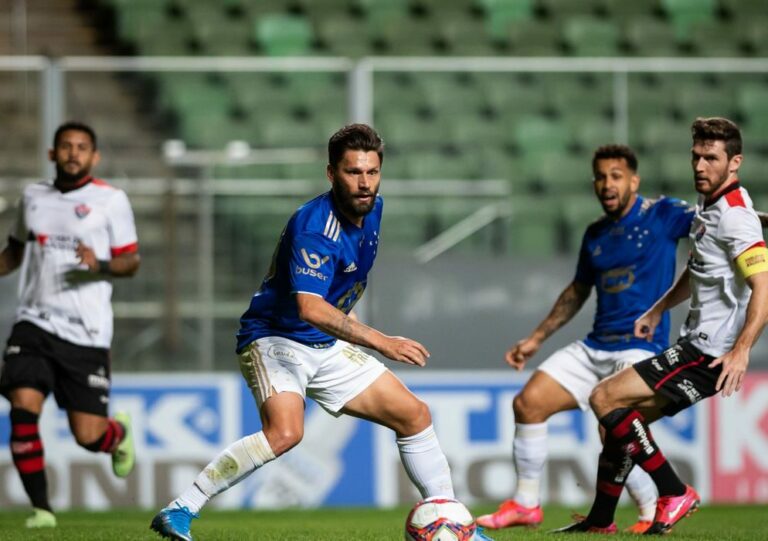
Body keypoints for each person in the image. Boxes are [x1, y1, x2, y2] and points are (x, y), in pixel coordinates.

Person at [150, 124, 493, 541]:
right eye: (353, 172)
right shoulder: (314, 228)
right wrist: (381, 341)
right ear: (331, 174)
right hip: (275, 338)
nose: (365, 183)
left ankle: (451, 524)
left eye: (372, 172)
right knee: (286, 433)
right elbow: (309, 307)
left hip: (323, 344)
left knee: (414, 415)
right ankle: (181, 507)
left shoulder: (374, 207)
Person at [554, 117, 768, 535]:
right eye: (696, 157)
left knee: (604, 398)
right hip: (697, 342)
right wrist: (657, 309)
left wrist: (741, 350)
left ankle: (673, 491)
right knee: (619, 422)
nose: (700, 166)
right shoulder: (710, 207)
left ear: (735, 162)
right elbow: (699, 269)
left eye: (711, 158)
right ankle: (600, 521)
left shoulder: (736, 219)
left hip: (710, 350)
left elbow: (763, 287)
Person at [477, 144, 697, 534]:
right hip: (596, 345)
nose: (606, 184)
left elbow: (720, 220)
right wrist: (535, 338)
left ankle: (649, 513)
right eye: (600, 176)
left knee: (613, 424)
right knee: (528, 403)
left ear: (634, 180)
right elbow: (577, 291)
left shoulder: (662, 214)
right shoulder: (596, 233)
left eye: (616, 176)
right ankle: (527, 504)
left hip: (639, 345)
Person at [0, 121, 140, 528]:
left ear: (94, 157)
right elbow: (14, 252)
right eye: (66, 146)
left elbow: (131, 262)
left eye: (82, 147)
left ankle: (116, 435)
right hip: (34, 322)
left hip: (87, 332)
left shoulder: (111, 201)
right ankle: (42, 509)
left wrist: (103, 265)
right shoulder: (33, 198)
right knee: (23, 408)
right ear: (52, 153)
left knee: (87, 436)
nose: (73, 153)